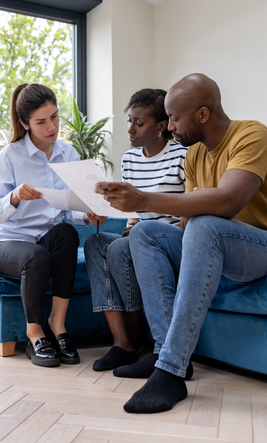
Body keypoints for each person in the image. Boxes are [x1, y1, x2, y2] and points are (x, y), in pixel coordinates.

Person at [95, 73, 267, 413]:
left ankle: (169, 371)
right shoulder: (194, 154)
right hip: (232, 249)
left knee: (208, 224)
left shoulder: (252, 135)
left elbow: (227, 202)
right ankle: (164, 352)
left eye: (174, 118)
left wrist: (147, 199)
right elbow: (189, 223)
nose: (169, 127)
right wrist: (195, 206)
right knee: (145, 233)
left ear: (202, 114)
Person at [0, 83, 102, 368]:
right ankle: (34, 333)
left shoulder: (69, 154)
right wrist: (13, 197)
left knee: (67, 233)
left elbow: (66, 209)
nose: (52, 126)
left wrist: (87, 215)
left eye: (55, 117)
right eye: (41, 121)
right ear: (25, 123)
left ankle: (57, 326)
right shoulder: (10, 157)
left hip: (45, 240)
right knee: (36, 255)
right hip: (4, 243)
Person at [84, 88, 187, 372]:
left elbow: (191, 212)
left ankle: (137, 330)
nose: (130, 129)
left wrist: (142, 229)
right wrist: (130, 225)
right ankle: (123, 344)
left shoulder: (183, 156)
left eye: (138, 123)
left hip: (172, 238)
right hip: (141, 236)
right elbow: (135, 214)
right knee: (97, 244)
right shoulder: (130, 160)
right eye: (129, 120)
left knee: (119, 247)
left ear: (161, 125)